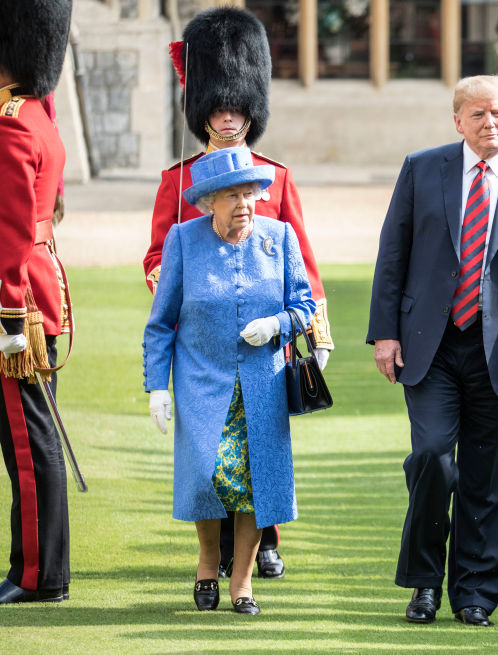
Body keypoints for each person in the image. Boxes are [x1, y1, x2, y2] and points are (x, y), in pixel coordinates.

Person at [367, 75, 498, 627]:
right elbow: (393, 254)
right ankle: (425, 582)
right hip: (430, 346)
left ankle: (476, 591)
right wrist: (383, 333)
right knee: (433, 457)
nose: (491, 124)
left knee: (490, 477)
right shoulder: (422, 169)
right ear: (457, 121)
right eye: (478, 115)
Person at [145, 7, 331, 578]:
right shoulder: (179, 182)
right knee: (208, 449)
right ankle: (216, 550)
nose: (228, 118)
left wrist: (315, 328)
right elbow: (157, 256)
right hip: (201, 335)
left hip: (266, 335)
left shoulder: (276, 174)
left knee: (261, 443)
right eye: (218, 107)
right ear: (202, 109)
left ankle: (263, 541)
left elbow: (300, 256)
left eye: (237, 107)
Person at [143, 146, 316, 614]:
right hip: (202, 381)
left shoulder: (279, 237)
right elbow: (161, 322)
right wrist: (157, 385)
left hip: (262, 384)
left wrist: (276, 326)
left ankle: (242, 583)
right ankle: (207, 560)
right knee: (208, 476)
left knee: (254, 484)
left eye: (250, 193)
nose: (244, 203)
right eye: (232, 195)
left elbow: (305, 306)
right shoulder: (182, 240)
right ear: (209, 202)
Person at [0, 0, 73, 604]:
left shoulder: (12, 121)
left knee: (27, 441)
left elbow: (12, 231)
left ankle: (38, 574)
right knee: (31, 432)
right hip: (35, 290)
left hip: (13, 302)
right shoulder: (37, 115)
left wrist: (7, 320)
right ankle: (36, 565)